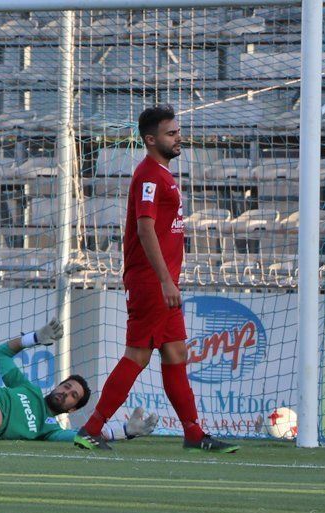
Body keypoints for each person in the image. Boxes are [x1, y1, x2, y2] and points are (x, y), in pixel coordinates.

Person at [74, 105, 238, 453]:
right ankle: (91, 428)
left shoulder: (162, 174)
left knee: (176, 353)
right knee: (137, 355)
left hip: (162, 280)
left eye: (177, 131)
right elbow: (145, 227)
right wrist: (165, 281)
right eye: (171, 133)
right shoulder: (150, 175)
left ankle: (194, 433)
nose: (179, 137)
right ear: (151, 140)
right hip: (150, 280)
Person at [0, 318, 158, 443]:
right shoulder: (28, 389)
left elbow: (82, 438)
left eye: (73, 395)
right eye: (66, 386)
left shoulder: (50, 431)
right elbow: (2, 353)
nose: (66, 392)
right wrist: (33, 338)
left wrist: (124, 432)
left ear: (73, 409)